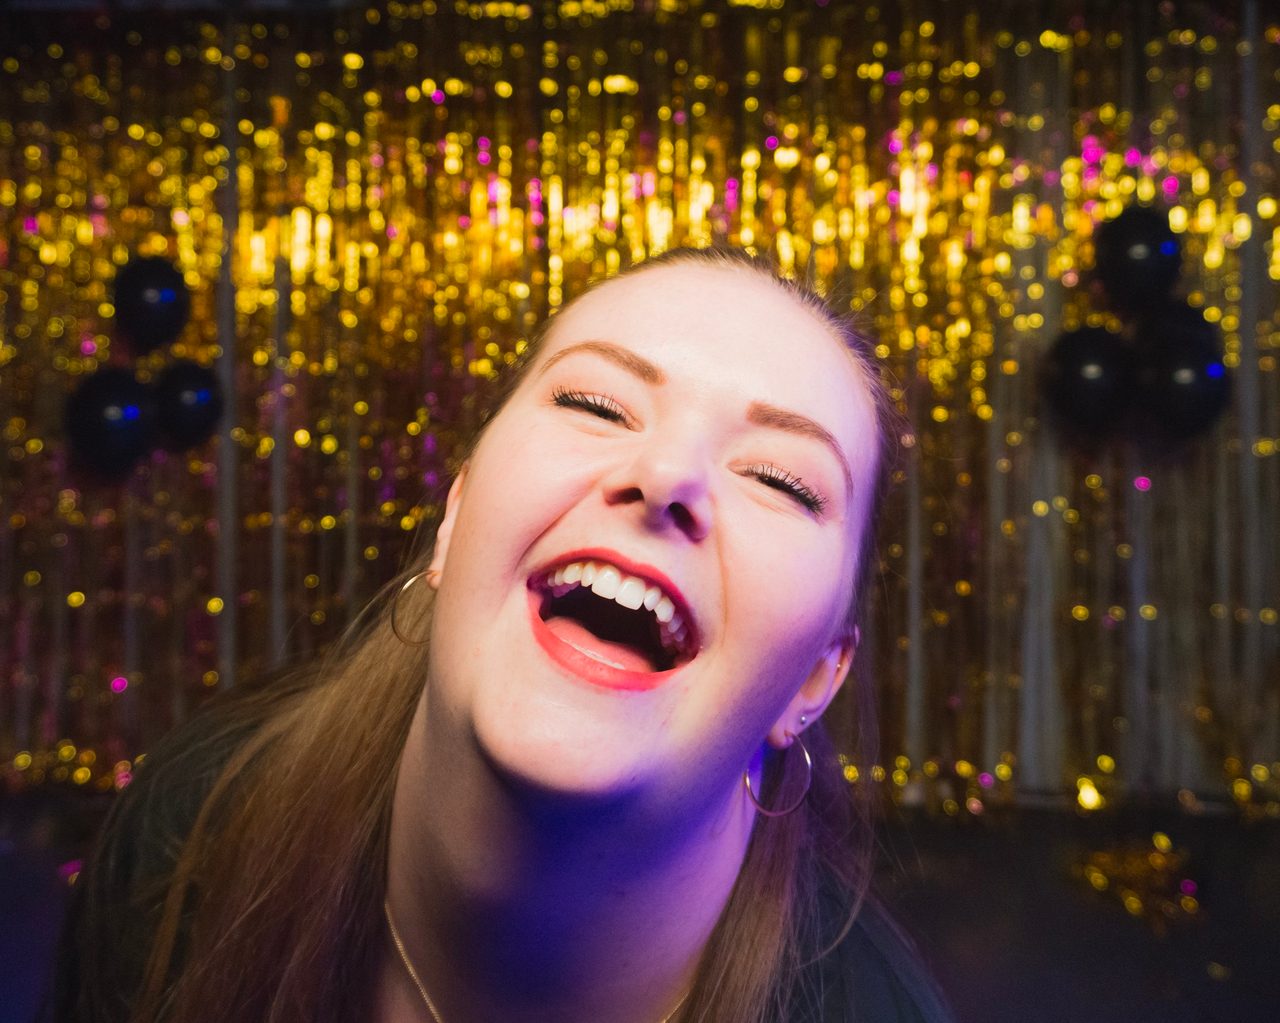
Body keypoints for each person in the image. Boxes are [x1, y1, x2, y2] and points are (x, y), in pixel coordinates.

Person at [47, 247, 954, 1023]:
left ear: (816, 683)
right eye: (597, 404)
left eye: (781, 480)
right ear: (454, 520)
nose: (670, 472)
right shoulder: (191, 841)